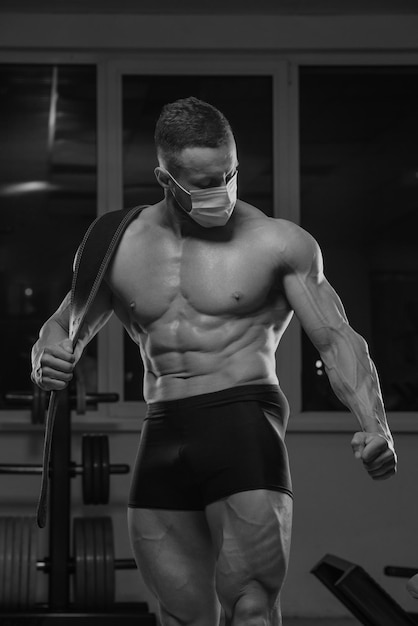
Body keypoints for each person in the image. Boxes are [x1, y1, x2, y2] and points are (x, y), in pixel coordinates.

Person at [31, 96, 397, 626]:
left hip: (243, 421)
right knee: (180, 616)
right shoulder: (116, 245)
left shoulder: (278, 243)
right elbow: (61, 327)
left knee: (250, 606)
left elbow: (337, 337)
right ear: (165, 177)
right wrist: (45, 357)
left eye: (230, 173)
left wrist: (375, 425)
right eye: (204, 181)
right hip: (162, 430)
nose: (222, 190)